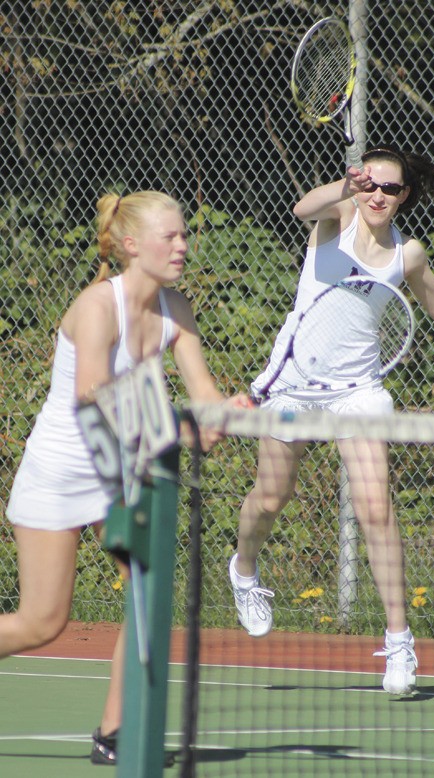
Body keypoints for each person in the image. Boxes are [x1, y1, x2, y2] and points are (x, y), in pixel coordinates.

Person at [228, 146, 434, 695]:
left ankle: (400, 641)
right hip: (294, 384)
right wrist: (345, 186)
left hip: (359, 391)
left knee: (376, 509)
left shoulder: (406, 253)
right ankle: (244, 569)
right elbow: (299, 207)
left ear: (404, 195)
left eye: (390, 188)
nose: (378, 196)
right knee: (271, 497)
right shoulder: (335, 219)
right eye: (371, 186)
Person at [3, 190, 251, 763]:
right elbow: (93, 395)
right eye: (172, 236)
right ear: (132, 244)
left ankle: (115, 732)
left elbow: (203, 395)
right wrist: (180, 430)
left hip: (118, 473)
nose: (184, 246)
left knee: (149, 592)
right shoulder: (96, 305)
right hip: (61, 471)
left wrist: (224, 412)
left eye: (186, 235)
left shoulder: (175, 309)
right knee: (42, 622)